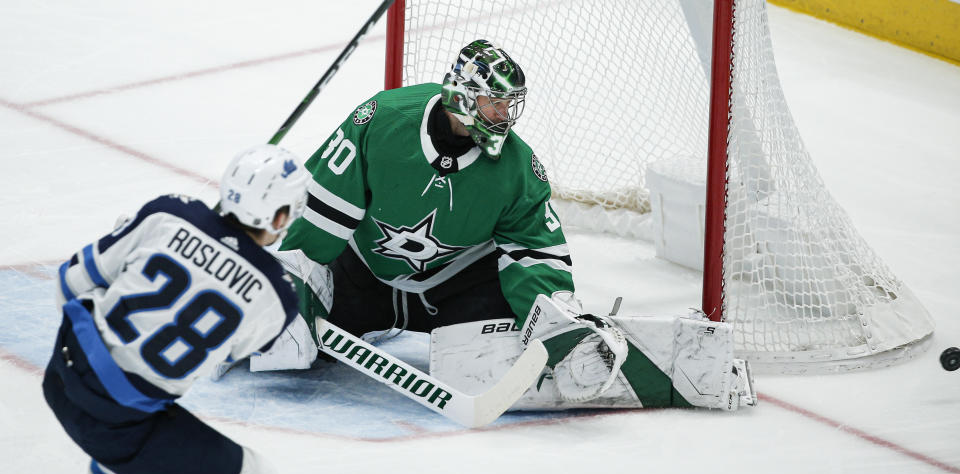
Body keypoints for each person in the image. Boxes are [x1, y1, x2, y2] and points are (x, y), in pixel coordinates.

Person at [263, 40, 756, 412]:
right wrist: (291, 278)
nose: (504, 115)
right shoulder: (383, 120)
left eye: (510, 104)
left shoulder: (519, 168)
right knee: (283, 342)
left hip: (454, 291)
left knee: (515, 337)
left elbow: (535, 253)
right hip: (362, 275)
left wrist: (555, 316)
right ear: (461, 96)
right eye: (494, 103)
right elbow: (320, 212)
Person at [42, 144, 309, 474]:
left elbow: (69, 283)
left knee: (135, 451)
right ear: (279, 219)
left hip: (61, 378)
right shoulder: (278, 296)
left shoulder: (168, 213)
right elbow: (233, 351)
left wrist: (131, 255)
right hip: (122, 422)